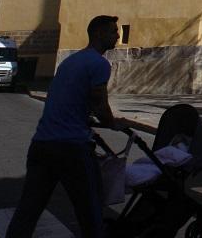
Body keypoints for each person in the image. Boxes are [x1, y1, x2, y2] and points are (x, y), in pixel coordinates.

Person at [7, 15, 124, 238]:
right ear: (98, 34)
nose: (117, 35)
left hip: (41, 144)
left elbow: (65, 101)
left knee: (28, 209)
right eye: (113, 32)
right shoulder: (99, 64)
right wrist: (113, 124)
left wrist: (85, 119)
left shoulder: (69, 62)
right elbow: (99, 103)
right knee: (90, 209)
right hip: (72, 149)